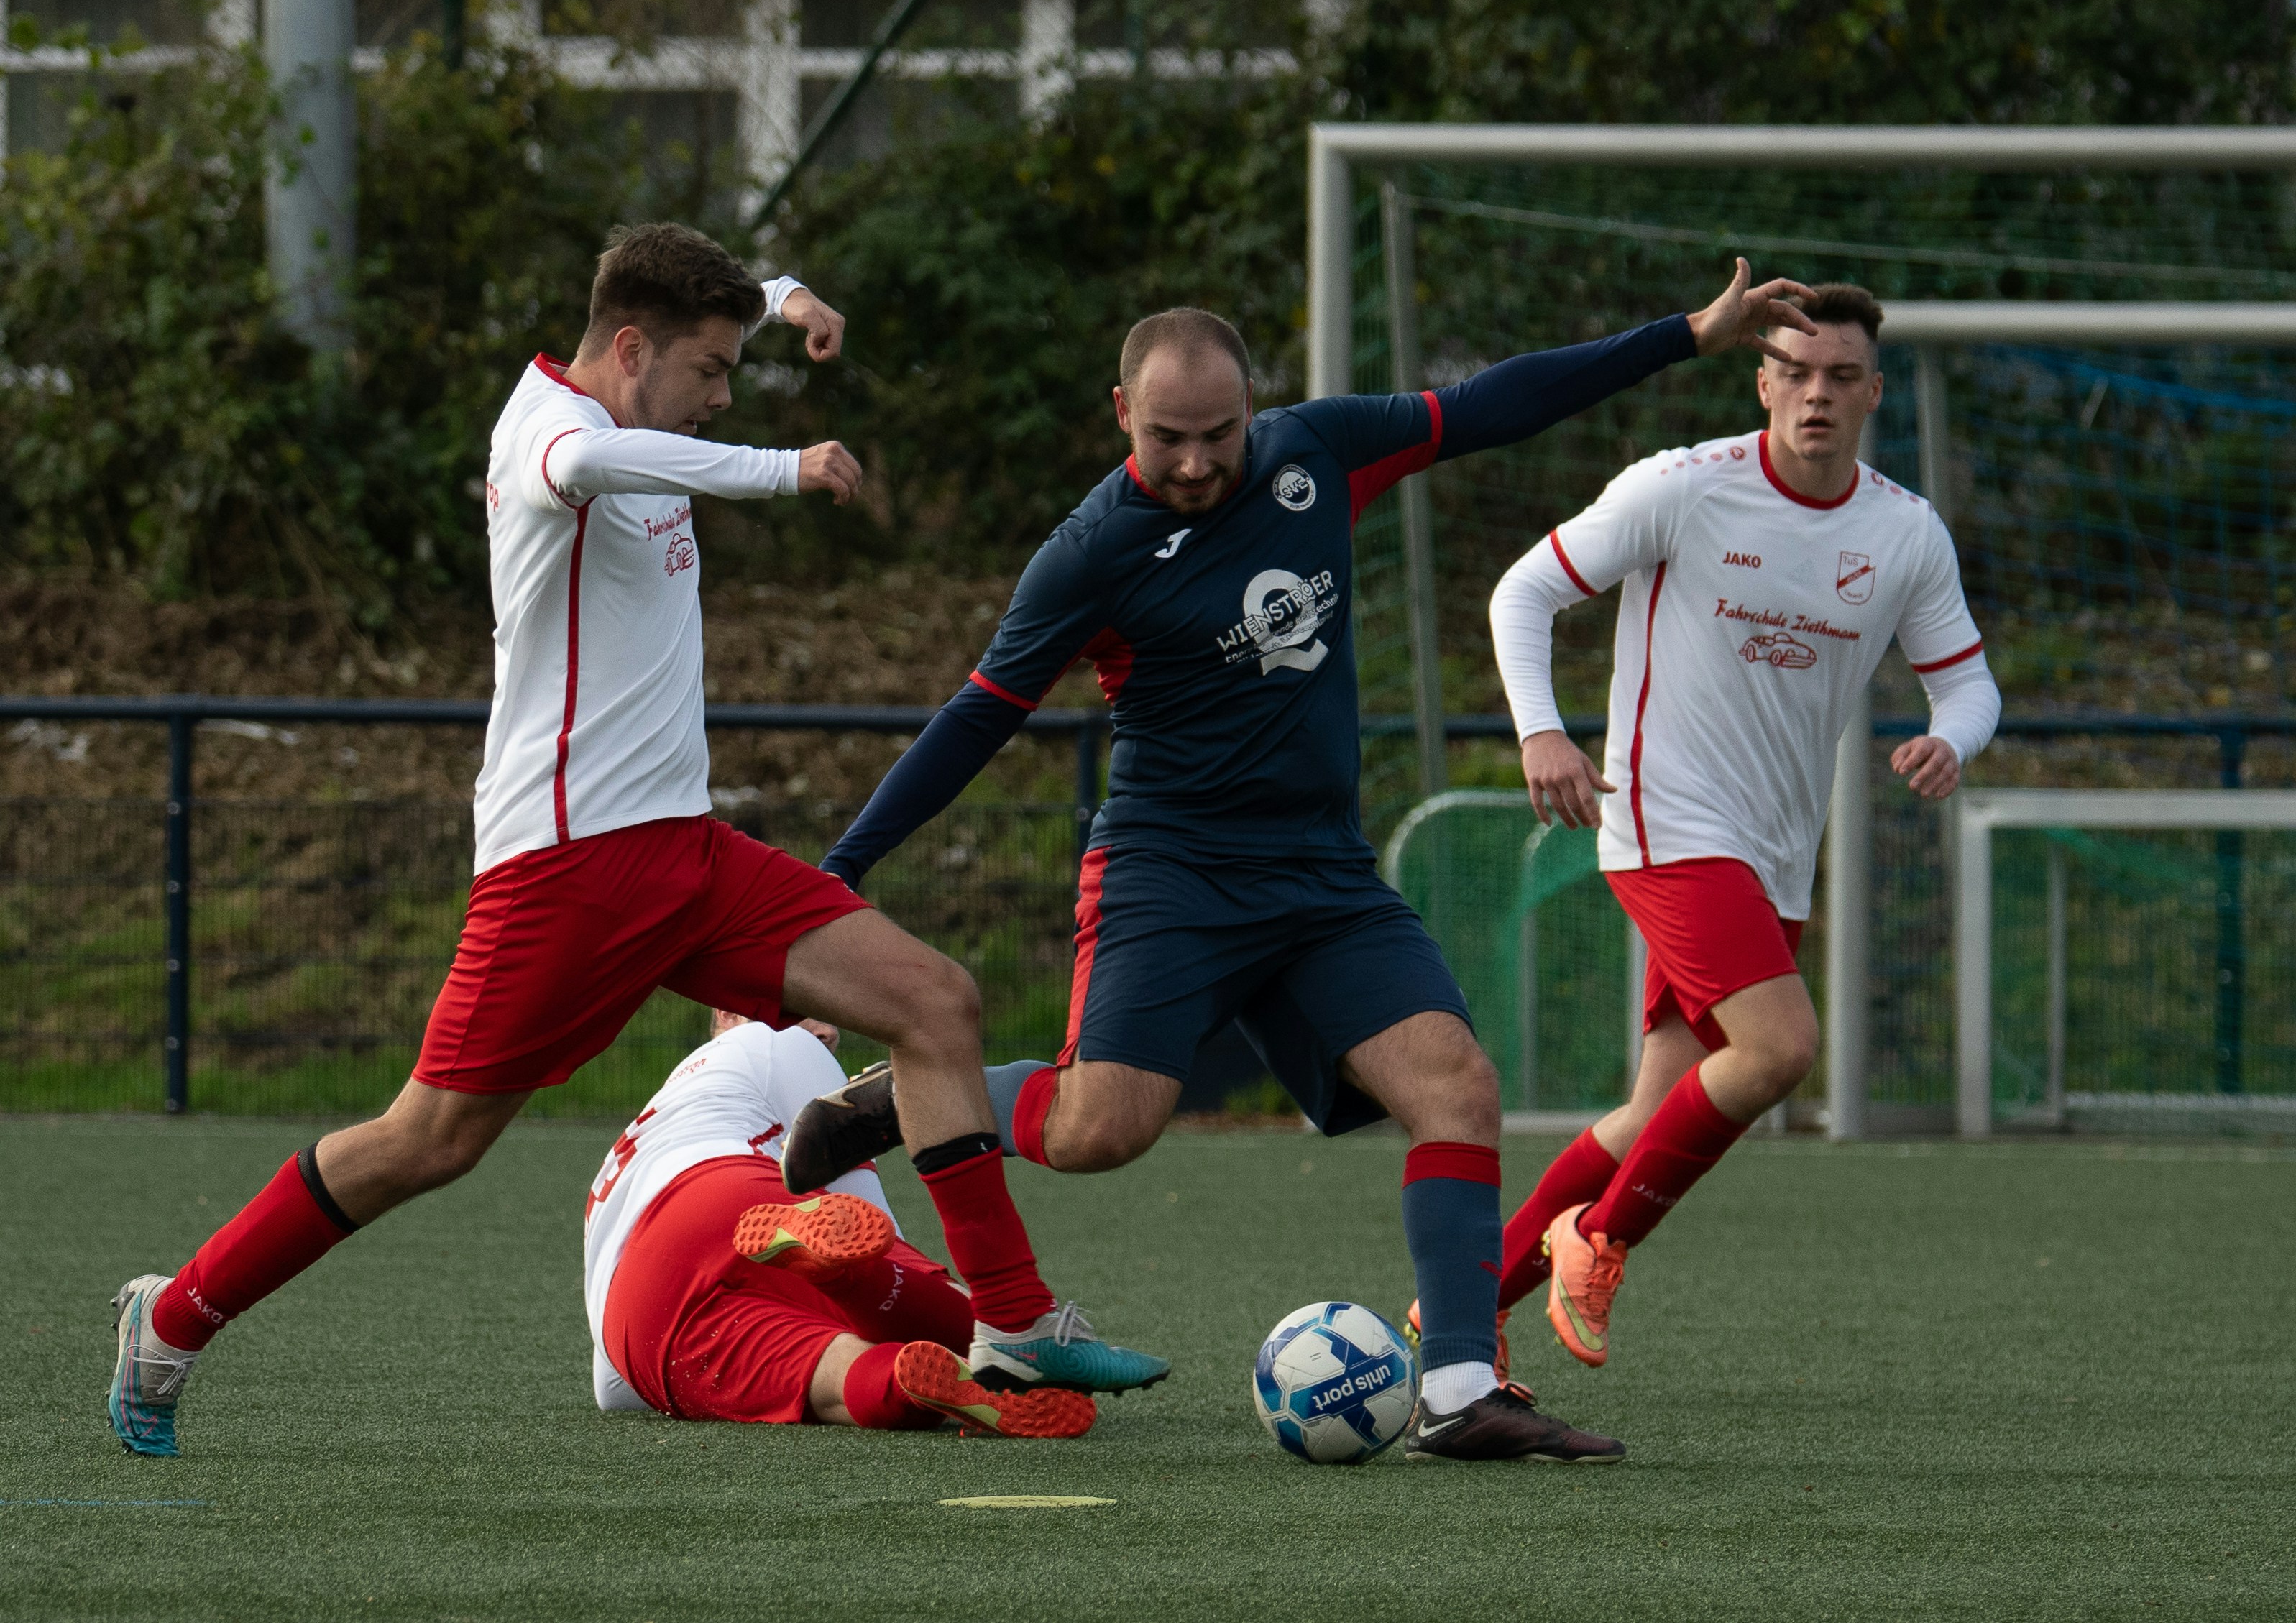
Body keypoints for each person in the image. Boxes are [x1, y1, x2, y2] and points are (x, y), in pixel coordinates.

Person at [108, 223, 1161, 1459]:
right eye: (709, 372)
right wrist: (785, 462)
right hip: (564, 874)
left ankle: (1017, 1321)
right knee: (426, 1140)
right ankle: (169, 1319)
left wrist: (783, 300)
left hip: (685, 850)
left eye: (730, 372)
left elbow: (713, 312)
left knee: (932, 998)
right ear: (628, 350)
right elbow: (604, 461)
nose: (720, 394)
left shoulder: (640, 363)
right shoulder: (550, 438)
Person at [782, 261, 1816, 1463]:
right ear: (1122, 414)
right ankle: (896, 1098)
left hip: (1320, 873)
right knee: (1098, 1130)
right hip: (1168, 870)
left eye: (1215, 433)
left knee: (1454, 1085)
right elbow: (975, 716)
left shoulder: (1311, 452)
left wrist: (1682, 336)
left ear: (1248, 408)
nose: (1192, 461)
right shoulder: (1088, 552)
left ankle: (1460, 1388)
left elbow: (1494, 403)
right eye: (1165, 437)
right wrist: (841, 865)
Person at [1483, 282, 2001, 1370]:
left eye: (1840, 376)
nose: (1816, 393)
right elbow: (1522, 593)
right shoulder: (1680, 487)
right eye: (1795, 373)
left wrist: (1953, 737)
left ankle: (1462, 1306)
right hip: (1664, 821)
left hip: (1773, 854)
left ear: (1870, 393)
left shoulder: (1903, 532)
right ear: (1761, 381)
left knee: (1653, 1107)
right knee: (1781, 1048)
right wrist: (1542, 732)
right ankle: (1602, 1238)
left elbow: (1966, 682)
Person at [586, 1010, 1093, 1438]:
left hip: (635, 1316)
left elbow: (613, 1393)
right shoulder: (775, 1042)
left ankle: (903, 1382)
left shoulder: (643, 1131)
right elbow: (866, 1226)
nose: (826, 1029)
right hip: (725, 1195)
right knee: (965, 1331)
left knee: (829, 1381)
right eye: (806, 1001)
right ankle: (1008, 1345)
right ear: (728, 1013)